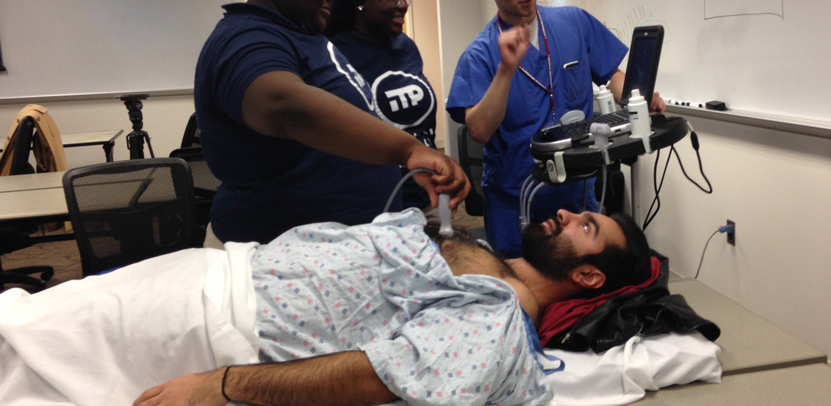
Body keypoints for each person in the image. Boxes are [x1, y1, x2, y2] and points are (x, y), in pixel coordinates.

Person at [0, 208, 651, 406]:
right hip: (216, 270)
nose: (564, 212)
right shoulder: (486, 257)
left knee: (25, 344)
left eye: (585, 226)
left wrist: (221, 386)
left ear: (588, 275)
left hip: (216, 320)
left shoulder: (500, 320)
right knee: (31, 321)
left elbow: (378, 376)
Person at [193, 0, 467, 245]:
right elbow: (281, 105)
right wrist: (408, 150)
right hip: (274, 253)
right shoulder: (245, 36)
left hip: (340, 248)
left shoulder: (304, 35)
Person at [447, 0, 665, 257]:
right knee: (522, 285)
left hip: (577, 197)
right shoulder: (479, 55)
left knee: (584, 280)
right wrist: (506, 69)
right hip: (517, 203)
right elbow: (478, 130)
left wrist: (639, 99)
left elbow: (613, 76)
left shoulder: (574, 22)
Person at [326, 0, 438, 210]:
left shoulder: (405, 46)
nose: (403, 4)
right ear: (360, 1)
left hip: (423, 195)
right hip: (373, 205)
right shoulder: (334, 54)